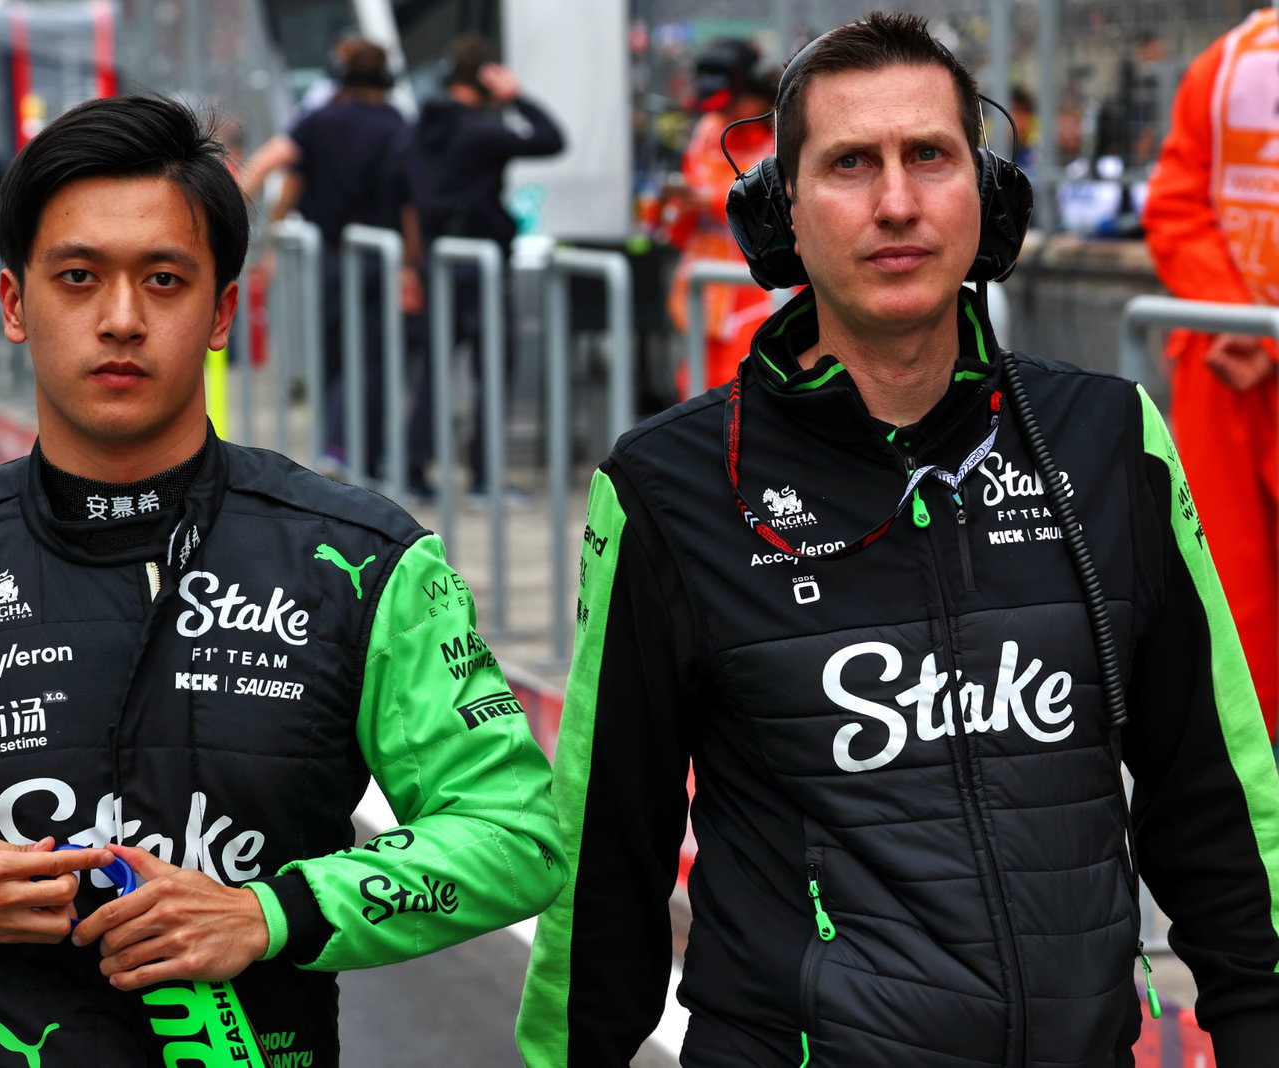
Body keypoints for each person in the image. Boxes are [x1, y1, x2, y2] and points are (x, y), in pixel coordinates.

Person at [0, 94, 564, 1066]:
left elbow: (515, 835)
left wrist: (270, 913)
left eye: (164, 280)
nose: (121, 319)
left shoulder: (362, 564)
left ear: (221, 310)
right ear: (13, 303)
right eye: (77, 278)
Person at [518, 13, 1279, 1066]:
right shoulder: (668, 488)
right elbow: (604, 865)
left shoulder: (1110, 441)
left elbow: (1217, 798)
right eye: (849, 164)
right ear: (779, 215)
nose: (895, 202)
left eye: (928, 156)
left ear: (989, 195)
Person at [1141, 6, 1279, 743]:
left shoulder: (1226, 62)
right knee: (1232, 600)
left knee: (1230, 600)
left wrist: (1241, 322)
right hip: (1234, 365)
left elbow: (1175, 207)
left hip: (1226, 362)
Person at [407, 33, 564, 500]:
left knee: (436, 367)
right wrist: (516, 98)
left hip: (439, 257)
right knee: (493, 368)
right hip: (480, 263)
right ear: (485, 78)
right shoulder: (480, 131)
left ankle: (415, 469)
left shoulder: (423, 127)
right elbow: (551, 140)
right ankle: (483, 477)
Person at [270, 37, 423, 484]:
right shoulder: (398, 125)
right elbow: (410, 203)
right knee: (373, 361)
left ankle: (338, 447)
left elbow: (290, 178)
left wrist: (269, 236)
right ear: (387, 80)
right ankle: (357, 453)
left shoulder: (317, 121)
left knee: (334, 356)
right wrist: (411, 265)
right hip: (381, 259)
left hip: (331, 258)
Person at [664, 38, 778, 396]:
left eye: (734, 104)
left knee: (746, 398)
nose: (725, 116)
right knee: (695, 398)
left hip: (759, 296)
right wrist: (677, 204)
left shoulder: (781, 137)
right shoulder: (708, 130)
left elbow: (779, 208)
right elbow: (679, 227)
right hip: (703, 297)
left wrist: (709, 200)